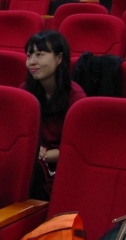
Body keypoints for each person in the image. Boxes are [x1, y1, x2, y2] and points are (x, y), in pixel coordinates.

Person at [24, 30, 85, 201]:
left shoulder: (76, 98)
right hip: (35, 164)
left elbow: (80, 149)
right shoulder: (26, 92)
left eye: (39, 54)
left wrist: (42, 155)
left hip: (65, 169)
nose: (32, 62)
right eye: (29, 55)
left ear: (59, 58)